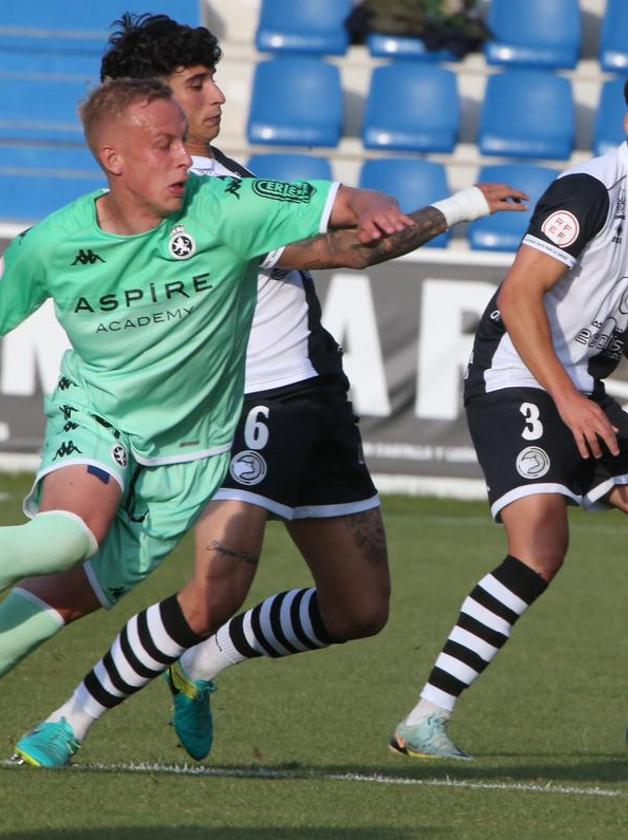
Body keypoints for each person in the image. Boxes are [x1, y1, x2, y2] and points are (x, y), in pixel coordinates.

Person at [2, 15, 525, 769]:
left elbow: (346, 233)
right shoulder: (190, 196)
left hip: (314, 397)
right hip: (244, 409)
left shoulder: (225, 180)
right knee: (195, 584)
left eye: (211, 81)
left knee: (359, 610)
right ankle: (69, 722)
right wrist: (460, 206)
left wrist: (440, 208)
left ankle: (202, 665)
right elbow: (349, 251)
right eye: (195, 85)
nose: (216, 96)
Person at [390, 64, 628, 764]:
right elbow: (520, 296)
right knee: (539, 547)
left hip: (578, 394)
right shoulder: (586, 191)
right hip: (516, 381)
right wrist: (565, 397)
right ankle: (425, 717)